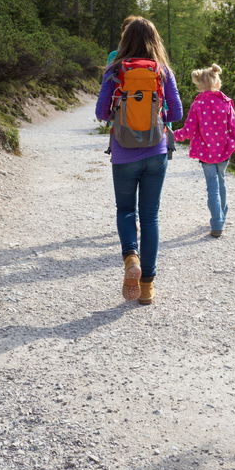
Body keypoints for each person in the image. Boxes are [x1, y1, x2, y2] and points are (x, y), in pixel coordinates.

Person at [95, 17, 182, 305]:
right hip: (156, 153)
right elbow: (177, 113)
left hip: (123, 152)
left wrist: (124, 114)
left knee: (125, 211)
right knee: (150, 216)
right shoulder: (163, 70)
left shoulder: (115, 69)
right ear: (154, 40)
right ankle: (147, 287)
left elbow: (101, 112)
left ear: (125, 40)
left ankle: (131, 257)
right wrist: (155, 115)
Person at [175, 63, 235, 237]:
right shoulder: (226, 102)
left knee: (212, 187)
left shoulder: (198, 104)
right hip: (224, 151)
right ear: (217, 81)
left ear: (200, 84)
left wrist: (171, 135)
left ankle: (217, 223)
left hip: (206, 153)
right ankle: (221, 216)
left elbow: (188, 130)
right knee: (221, 181)